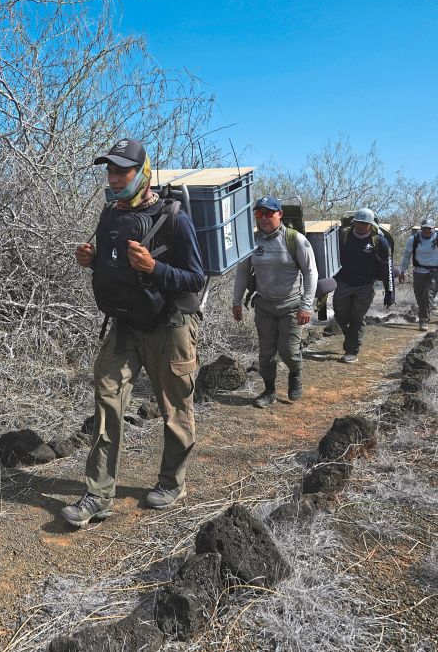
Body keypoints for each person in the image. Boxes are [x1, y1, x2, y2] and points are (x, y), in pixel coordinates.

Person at [61, 138, 206, 528]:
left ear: (142, 173)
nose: (113, 177)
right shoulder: (110, 214)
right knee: (107, 401)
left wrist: (154, 269)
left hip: (169, 326)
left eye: (121, 170)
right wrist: (91, 262)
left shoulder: (174, 216)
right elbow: (113, 265)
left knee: (175, 408)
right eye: (109, 170)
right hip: (125, 323)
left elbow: (196, 278)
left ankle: (172, 483)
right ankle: (99, 495)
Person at [231, 196, 318, 407]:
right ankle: (269, 391)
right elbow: (242, 273)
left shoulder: (295, 239)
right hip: (264, 306)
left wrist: (306, 305)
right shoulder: (252, 242)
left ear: (279, 214)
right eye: (259, 214)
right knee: (266, 352)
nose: (263, 218)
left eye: (268, 213)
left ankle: (295, 372)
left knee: (288, 350)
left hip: (291, 305)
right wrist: (236, 301)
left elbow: (311, 273)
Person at [331, 208, 395, 364]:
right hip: (343, 283)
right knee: (340, 315)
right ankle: (350, 334)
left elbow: (388, 267)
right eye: (358, 222)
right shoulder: (343, 236)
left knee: (357, 317)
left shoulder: (380, 241)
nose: (360, 226)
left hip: (365, 286)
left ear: (371, 224)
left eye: (364, 223)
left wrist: (389, 291)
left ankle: (352, 350)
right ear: (354, 222)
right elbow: (329, 259)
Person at [397, 219, 438, 330]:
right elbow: (407, 256)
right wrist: (402, 271)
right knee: (419, 295)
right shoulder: (414, 239)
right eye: (425, 228)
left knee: (428, 295)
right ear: (421, 228)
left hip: (434, 272)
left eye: (429, 228)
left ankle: (424, 320)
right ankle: (424, 312)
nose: (427, 230)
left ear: (434, 229)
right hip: (418, 271)